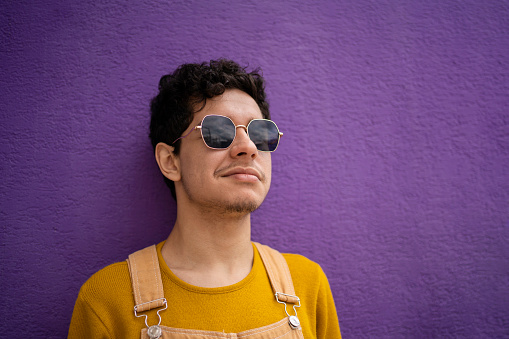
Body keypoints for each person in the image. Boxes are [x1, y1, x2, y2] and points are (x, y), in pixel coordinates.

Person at [68, 59, 341, 338]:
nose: (248, 147)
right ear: (170, 161)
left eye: (260, 133)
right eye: (218, 131)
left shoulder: (307, 285)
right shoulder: (107, 300)